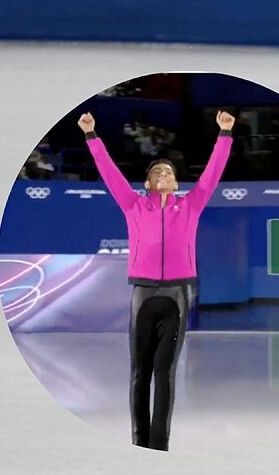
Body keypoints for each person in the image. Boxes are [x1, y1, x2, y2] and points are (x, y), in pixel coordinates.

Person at [79, 109, 234, 451]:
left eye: (169, 172)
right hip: (143, 294)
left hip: (177, 294)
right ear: (147, 184)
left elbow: (212, 173)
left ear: (177, 183)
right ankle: (138, 440)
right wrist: (92, 136)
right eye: (157, 172)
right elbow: (109, 173)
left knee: (165, 373)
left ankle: (159, 443)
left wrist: (224, 135)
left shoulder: (191, 205)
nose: (164, 174)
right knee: (139, 373)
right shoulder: (133, 205)